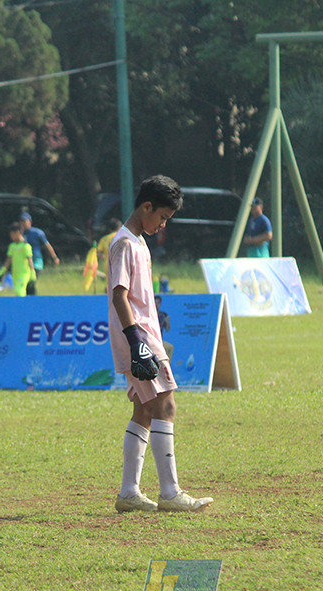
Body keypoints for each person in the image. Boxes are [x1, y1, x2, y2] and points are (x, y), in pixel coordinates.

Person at [108, 175, 213, 513]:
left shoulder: (139, 242)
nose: (162, 225)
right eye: (162, 217)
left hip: (142, 336)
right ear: (146, 206)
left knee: (145, 410)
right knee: (166, 404)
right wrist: (137, 339)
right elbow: (119, 295)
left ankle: (129, 494)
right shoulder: (124, 243)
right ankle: (170, 493)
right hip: (138, 337)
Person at [20, 211, 59, 294]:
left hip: (36, 263)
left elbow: (47, 245)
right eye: (21, 222)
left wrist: (54, 257)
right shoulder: (20, 234)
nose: (22, 223)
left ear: (30, 222)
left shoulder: (37, 233)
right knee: (24, 283)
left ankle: (33, 300)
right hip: (24, 264)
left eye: (24, 221)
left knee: (31, 282)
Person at [0, 223, 35, 296]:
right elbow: (8, 260)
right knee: (17, 292)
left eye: (12, 234)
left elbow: (30, 260)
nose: (11, 236)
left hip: (24, 274)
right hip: (15, 274)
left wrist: (32, 273)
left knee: (20, 291)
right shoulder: (12, 246)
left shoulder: (25, 246)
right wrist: (2, 271)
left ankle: (22, 306)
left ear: (17, 232)